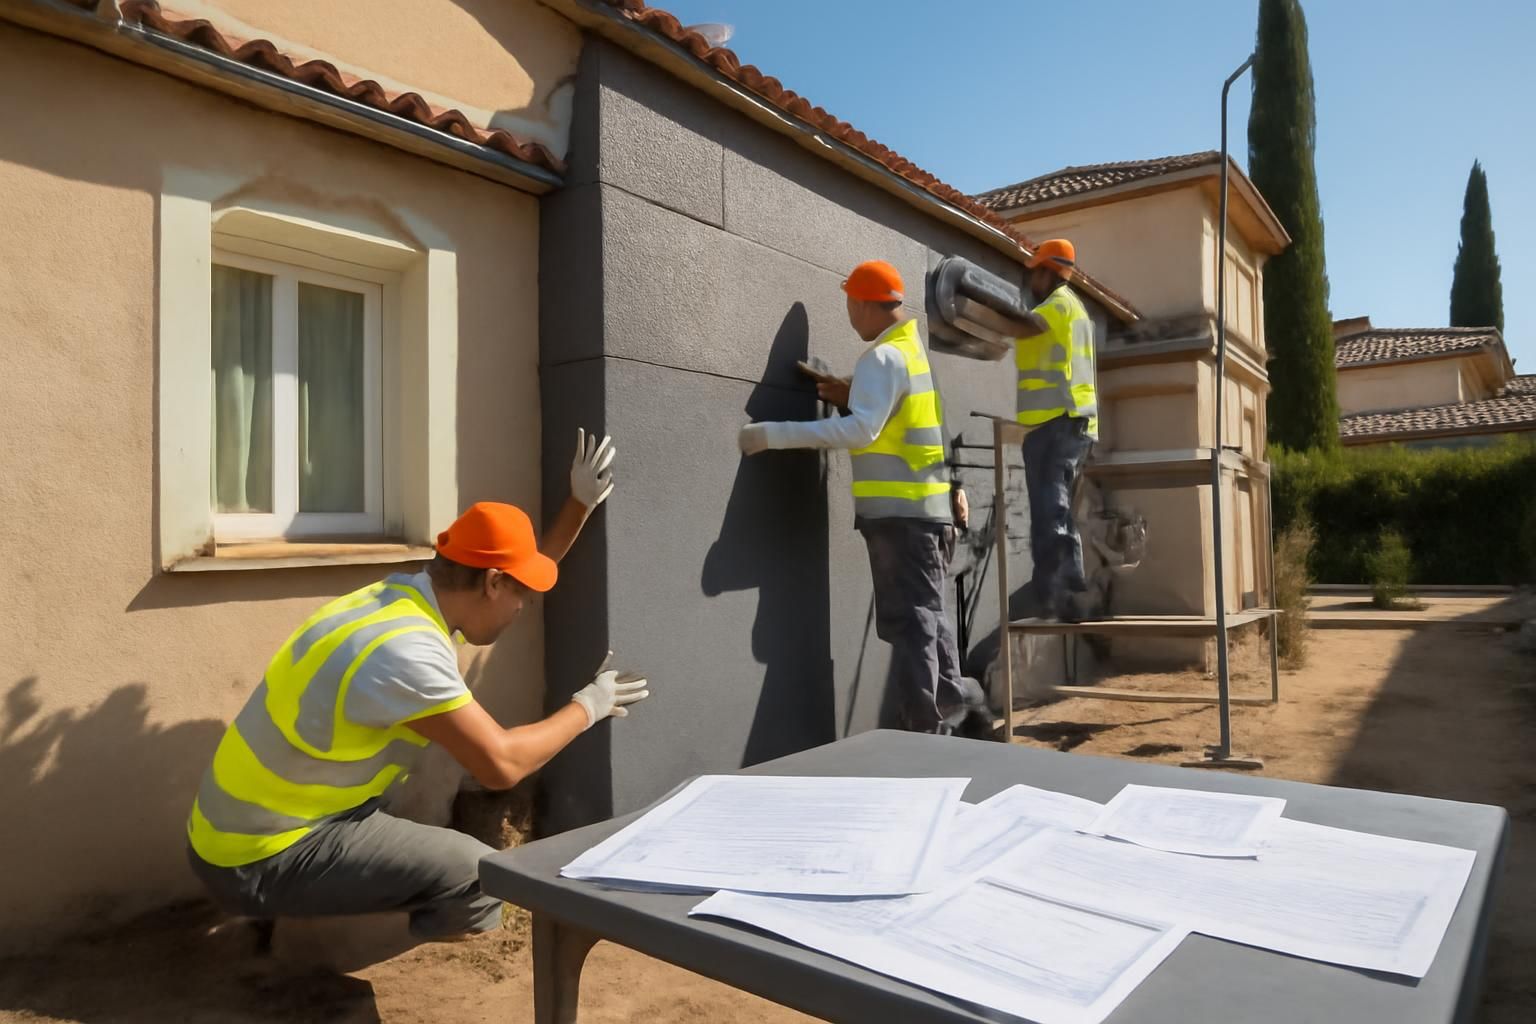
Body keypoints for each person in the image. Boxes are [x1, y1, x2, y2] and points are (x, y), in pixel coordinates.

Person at [186, 430, 650, 943]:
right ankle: (333, 959)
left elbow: (524, 572)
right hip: (260, 855)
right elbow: (501, 765)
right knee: (479, 872)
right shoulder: (404, 653)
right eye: (519, 595)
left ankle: (306, 924)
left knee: (408, 821)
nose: (523, 609)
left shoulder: (400, 600)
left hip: (238, 833)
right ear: (493, 583)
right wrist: (590, 704)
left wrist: (578, 506)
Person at [738, 260, 987, 736]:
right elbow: (916, 427)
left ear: (864, 302)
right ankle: (956, 708)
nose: (850, 317)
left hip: (902, 521)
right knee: (929, 621)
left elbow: (862, 430)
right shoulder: (913, 355)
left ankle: (926, 735)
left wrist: (771, 434)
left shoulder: (882, 358)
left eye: (850, 305)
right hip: (928, 517)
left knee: (915, 628)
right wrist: (852, 394)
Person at [1008, 238, 1100, 622]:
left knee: (1052, 509)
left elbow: (1016, 324)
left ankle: (1063, 593)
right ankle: (1057, 592)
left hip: (1059, 421)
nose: (1031, 280)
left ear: (1050, 271)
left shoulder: (1057, 307)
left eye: (1035, 272)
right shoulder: (1073, 308)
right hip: (1063, 423)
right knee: (1053, 511)